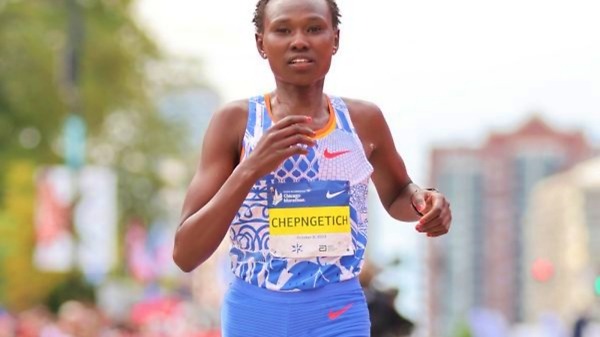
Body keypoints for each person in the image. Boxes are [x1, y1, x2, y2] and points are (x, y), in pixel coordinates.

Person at [173, 0, 452, 336]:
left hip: (337, 312)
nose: (299, 40)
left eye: (314, 28)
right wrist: (250, 169)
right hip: (256, 312)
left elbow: (398, 194)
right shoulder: (236, 123)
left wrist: (425, 201)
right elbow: (186, 254)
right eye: (283, 29)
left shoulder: (363, 121)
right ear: (261, 42)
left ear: (335, 39)